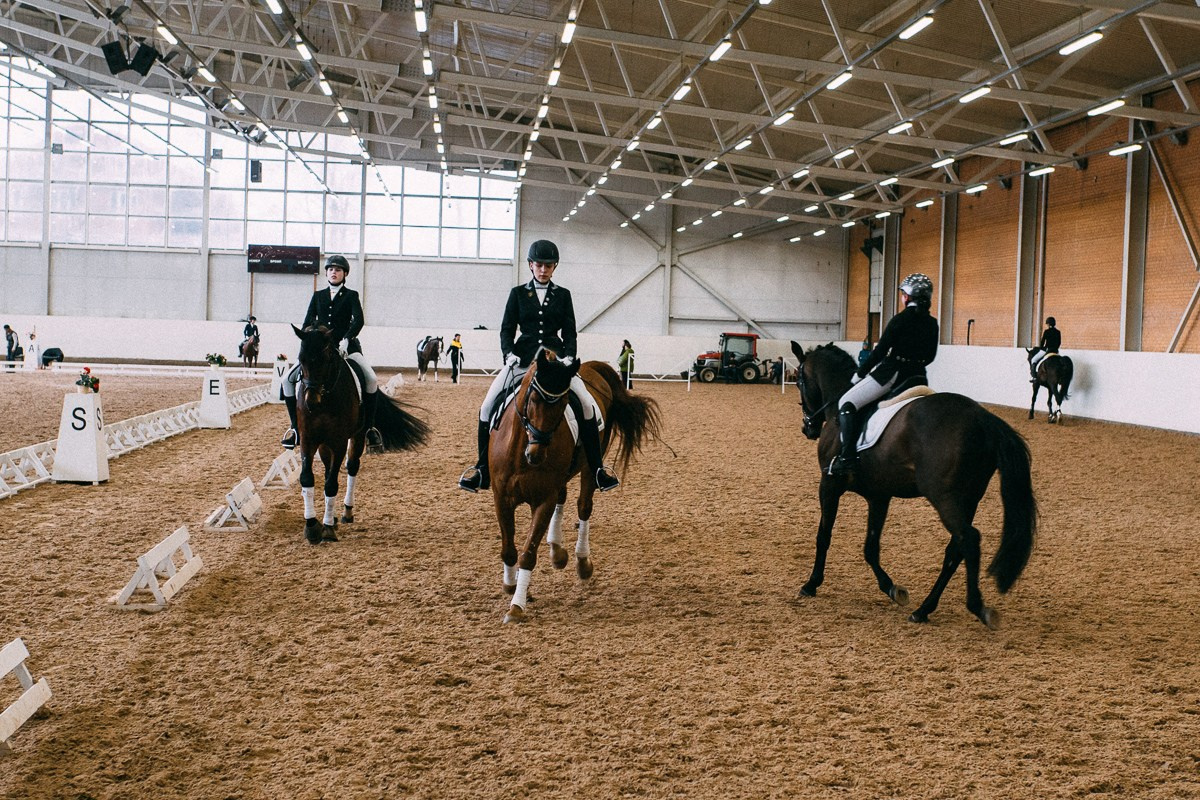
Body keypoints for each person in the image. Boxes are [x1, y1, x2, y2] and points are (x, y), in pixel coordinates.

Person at [458, 239, 620, 494]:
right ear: (531, 265)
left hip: (555, 362)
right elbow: (507, 329)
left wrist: (569, 356)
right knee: (487, 406)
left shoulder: (563, 295)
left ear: (554, 267)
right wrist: (508, 353)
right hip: (522, 360)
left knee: (588, 406)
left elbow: (569, 331)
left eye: (548, 265)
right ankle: (481, 469)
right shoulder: (518, 294)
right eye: (539, 265)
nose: (543, 270)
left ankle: (598, 469)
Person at [828, 273, 939, 477]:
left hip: (892, 375)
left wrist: (859, 375)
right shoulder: (932, 323)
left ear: (908, 296)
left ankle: (847, 458)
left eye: (903, 294)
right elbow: (930, 357)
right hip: (918, 378)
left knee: (847, 402)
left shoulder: (900, 319)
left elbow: (879, 352)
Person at [279, 254, 382, 450]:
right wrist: (311, 337)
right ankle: (294, 428)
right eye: (331, 269)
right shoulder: (318, 296)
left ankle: (369, 429)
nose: (334, 272)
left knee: (371, 379)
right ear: (326, 273)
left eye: (338, 270)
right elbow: (307, 322)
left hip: (346, 348)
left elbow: (358, 320)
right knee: (286, 380)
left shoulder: (351, 295)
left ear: (345, 274)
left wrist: (347, 339)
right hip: (319, 350)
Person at [1029, 316, 1061, 382]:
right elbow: (1059, 342)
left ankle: (1034, 377)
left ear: (1048, 324)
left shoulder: (1047, 331)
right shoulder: (1058, 332)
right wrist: (1055, 348)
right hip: (1055, 351)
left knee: (1033, 360)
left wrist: (1041, 348)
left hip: (1047, 350)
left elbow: (1042, 342)